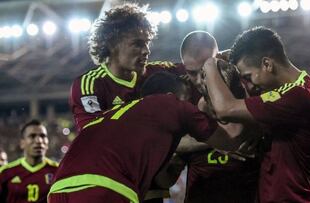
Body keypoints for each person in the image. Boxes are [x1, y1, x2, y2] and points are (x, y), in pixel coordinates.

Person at [48, 72, 246, 203]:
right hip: (104, 189)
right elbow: (232, 138)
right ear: (171, 94)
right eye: (186, 99)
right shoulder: (171, 103)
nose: (189, 105)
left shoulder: (120, 115)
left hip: (58, 190)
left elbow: (161, 179)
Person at [202, 26, 310, 202]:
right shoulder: (295, 90)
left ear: (267, 64)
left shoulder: (299, 97)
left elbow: (225, 108)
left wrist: (209, 64)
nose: (249, 85)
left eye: (247, 77)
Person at [70, 3, 185, 132]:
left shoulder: (160, 72)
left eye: (147, 43)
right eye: (137, 44)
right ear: (112, 45)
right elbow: (95, 135)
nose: (146, 51)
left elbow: (196, 66)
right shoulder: (90, 85)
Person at [178, 30, 260, 203]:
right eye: (192, 72)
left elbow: (243, 133)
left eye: (205, 69)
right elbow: (170, 142)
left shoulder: (248, 84)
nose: (200, 80)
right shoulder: (182, 95)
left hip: (247, 193)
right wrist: (217, 140)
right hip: (200, 194)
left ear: (220, 59)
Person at [0, 119, 58, 203]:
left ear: (47, 143)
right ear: (22, 143)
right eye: (32, 136)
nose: (39, 141)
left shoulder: (58, 171)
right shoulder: (5, 172)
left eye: (43, 136)